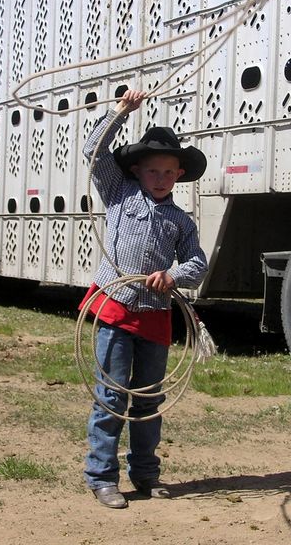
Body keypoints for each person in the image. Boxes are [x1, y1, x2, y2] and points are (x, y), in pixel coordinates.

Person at [81, 89, 208, 509]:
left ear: (179, 175)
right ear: (137, 170)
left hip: (155, 316)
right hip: (115, 308)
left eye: (169, 172)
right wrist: (121, 111)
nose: (160, 178)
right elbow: (94, 152)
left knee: (149, 399)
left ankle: (146, 474)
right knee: (112, 394)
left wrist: (172, 275)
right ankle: (101, 476)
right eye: (153, 170)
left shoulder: (179, 219)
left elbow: (197, 263)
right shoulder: (118, 192)